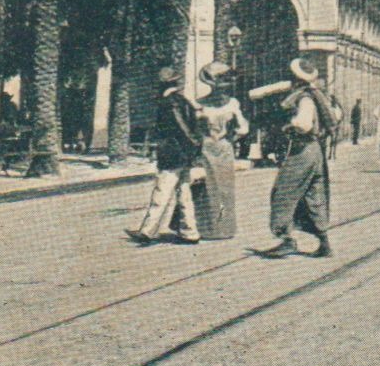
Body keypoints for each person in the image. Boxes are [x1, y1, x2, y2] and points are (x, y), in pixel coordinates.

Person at [257, 57, 335, 258]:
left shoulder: (303, 98)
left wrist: (288, 126)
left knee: (283, 192)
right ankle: (324, 242)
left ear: (294, 78)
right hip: (315, 151)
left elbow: (304, 124)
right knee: (312, 195)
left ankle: (286, 239)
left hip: (301, 150)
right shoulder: (314, 94)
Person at [127, 67, 202, 245]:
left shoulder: (169, 102)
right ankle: (190, 232)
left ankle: (147, 231)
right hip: (184, 154)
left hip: (173, 152)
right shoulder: (184, 101)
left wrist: (189, 144)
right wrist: (194, 150)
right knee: (184, 193)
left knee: (162, 191)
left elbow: (181, 127)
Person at [191, 62, 246, 241]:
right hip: (208, 148)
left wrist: (231, 138)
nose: (220, 92)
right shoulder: (200, 104)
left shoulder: (232, 104)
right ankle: (207, 228)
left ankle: (223, 229)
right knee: (206, 188)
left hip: (221, 149)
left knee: (224, 189)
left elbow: (243, 127)